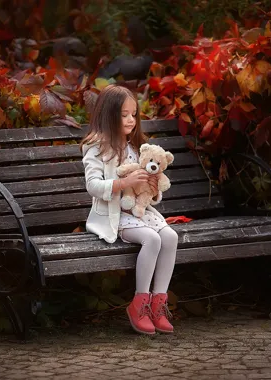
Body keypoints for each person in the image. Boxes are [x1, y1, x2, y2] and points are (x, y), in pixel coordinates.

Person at [80, 85, 179, 335]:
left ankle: (159, 303)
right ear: (108, 115)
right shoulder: (96, 149)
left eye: (133, 114)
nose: (131, 120)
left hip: (138, 212)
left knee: (170, 236)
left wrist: (153, 188)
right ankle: (139, 303)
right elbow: (92, 185)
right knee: (152, 238)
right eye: (124, 114)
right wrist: (123, 183)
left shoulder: (135, 148)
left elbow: (145, 195)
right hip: (114, 214)